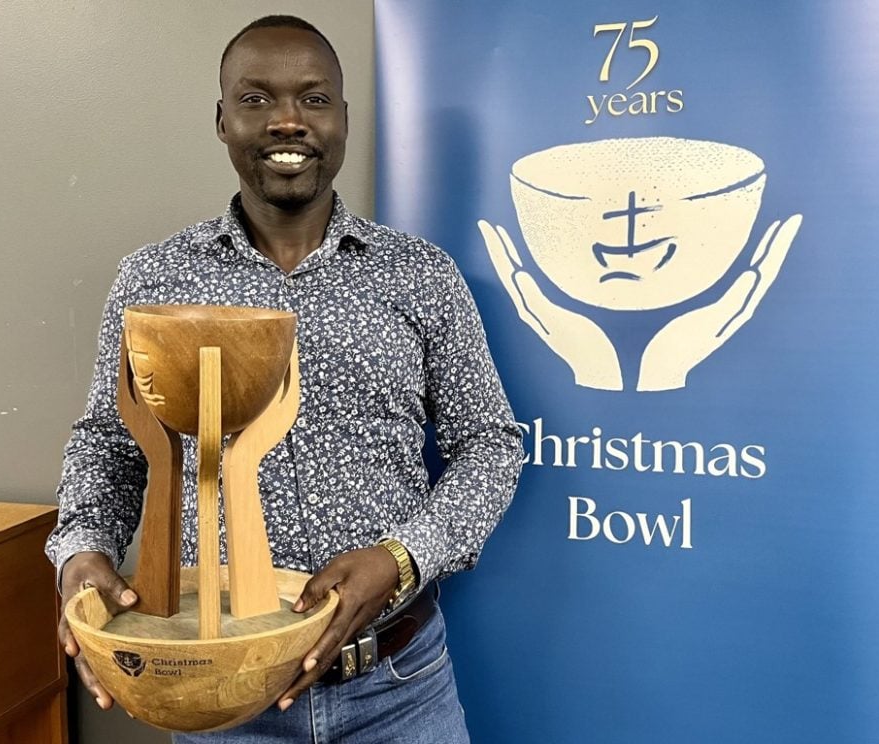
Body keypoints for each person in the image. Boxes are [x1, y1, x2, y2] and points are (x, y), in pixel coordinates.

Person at [45, 14, 523, 743]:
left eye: (314, 99)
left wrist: (400, 559)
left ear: (344, 119)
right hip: (221, 699)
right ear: (222, 119)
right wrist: (81, 553)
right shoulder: (153, 279)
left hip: (399, 688)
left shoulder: (420, 275)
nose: (288, 122)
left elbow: (489, 445)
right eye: (257, 99)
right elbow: (108, 447)